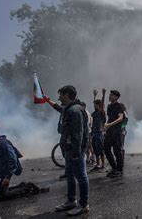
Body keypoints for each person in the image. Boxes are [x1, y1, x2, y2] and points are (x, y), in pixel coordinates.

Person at [54, 85, 90, 216]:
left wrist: (76, 151)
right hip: (69, 148)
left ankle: (84, 204)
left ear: (68, 95)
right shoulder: (68, 109)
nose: (59, 98)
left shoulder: (74, 110)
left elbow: (78, 134)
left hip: (75, 150)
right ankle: (71, 200)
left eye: (61, 95)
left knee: (81, 176)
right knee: (70, 174)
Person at [0, 131, 39, 202]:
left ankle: (27, 188)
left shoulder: (5, 145)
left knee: (4, 196)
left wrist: (7, 177)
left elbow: (12, 161)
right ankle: (21, 186)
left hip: (6, 172)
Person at [104, 90, 125, 178]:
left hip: (117, 131)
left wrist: (110, 124)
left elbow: (120, 118)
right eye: (110, 95)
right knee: (106, 148)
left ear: (116, 97)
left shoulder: (119, 106)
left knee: (117, 150)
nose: (110, 96)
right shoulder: (109, 106)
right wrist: (106, 126)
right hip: (109, 131)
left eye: (112, 95)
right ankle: (114, 167)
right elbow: (109, 118)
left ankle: (119, 170)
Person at [89, 89, 106, 173]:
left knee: (100, 150)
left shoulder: (101, 112)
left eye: (95, 104)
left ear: (98, 105)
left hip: (99, 133)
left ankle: (102, 165)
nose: (94, 106)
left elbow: (102, 105)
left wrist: (103, 95)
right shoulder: (95, 113)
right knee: (95, 150)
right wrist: (94, 96)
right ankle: (98, 165)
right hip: (95, 133)